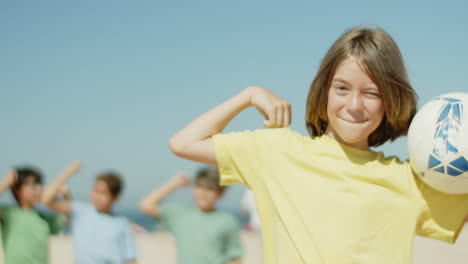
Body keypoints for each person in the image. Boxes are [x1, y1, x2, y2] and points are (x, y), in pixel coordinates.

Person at [168, 26, 468, 263]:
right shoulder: (275, 151)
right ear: (323, 90)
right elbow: (184, 143)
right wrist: (248, 95)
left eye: (371, 93)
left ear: (391, 101)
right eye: (341, 88)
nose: (354, 104)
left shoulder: (409, 183)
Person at [42, 161, 138, 264]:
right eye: (95, 190)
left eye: (103, 193)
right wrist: (68, 173)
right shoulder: (81, 211)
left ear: (115, 198)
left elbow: (130, 258)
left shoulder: (122, 223)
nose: (96, 196)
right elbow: (46, 199)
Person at [140, 168, 243, 264]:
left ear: (221, 193)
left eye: (210, 189)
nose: (203, 193)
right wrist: (173, 184)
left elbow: (235, 257)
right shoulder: (179, 214)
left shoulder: (227, 221)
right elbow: (146, 205)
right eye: (199, 187)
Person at [0, 167, 66, 264]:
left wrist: (64, 195)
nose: (38, 189)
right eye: (32, 185)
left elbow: (70, 217)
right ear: (17, 190)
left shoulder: (44, 217)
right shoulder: (9, 214)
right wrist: (5, 183)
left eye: (39, 184)